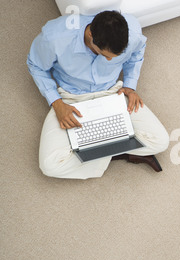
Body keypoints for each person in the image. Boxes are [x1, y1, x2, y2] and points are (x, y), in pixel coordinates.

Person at [27, 11, 169, 179]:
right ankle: (119, 151)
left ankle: (93, 152)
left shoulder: (132, 31)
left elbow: (137, 53)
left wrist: (130, 86)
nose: (109, 61)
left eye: (114, 58)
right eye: (104, 55)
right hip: (71, 99)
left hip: (112, 93)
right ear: (90, 34)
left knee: (161, 141)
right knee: (50, 166)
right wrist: (56, 103)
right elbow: (35, 65)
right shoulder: (55, 37)